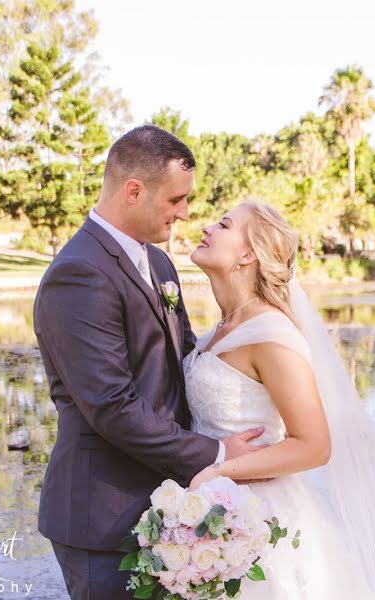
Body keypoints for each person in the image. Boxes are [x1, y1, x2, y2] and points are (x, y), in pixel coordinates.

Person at [33, 125, 264, 599]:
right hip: (102, 514)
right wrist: (218, 454)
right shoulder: (79, 274)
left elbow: (181, 362)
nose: (184, 213)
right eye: (176, 200)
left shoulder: (159, 265)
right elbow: (111, 405)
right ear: (133, 191)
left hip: (168, 504)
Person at [184, 200, 375, 599]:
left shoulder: (270, 333)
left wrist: (220, 473)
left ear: (248, 253)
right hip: (219, 510)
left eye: (223, 225)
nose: (206, 228)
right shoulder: (223, 327)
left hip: (261, 518)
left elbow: (314, 446)